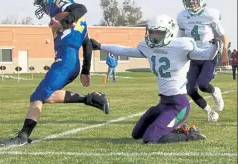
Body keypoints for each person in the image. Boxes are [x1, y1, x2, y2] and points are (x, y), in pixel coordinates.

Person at [0, 0, 109, 147]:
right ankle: (90, 99)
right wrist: (85, 71)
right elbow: (88, 45)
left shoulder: (61, 2)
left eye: (42, 2)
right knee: (45, 95)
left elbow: (80, 8)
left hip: (65, 60)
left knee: (37, 96)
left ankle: (22, 137)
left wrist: (65, 21)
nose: (42, 7)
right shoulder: (80, 24)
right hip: (72, 62)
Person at [90, 15, 222, 144]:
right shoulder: (149, 47)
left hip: (179, 105)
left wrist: (215, 46)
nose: (153, 36)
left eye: (158, 32)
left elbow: (206, 55)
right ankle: (174, 129)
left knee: (150, 138)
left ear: (170, 32)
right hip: (163, 103)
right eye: (151, 32)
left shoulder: (182, 46)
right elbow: (125, 50)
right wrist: (101, 46)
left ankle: (190, 135)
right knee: (137, 134)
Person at [177, 0, 229, 122]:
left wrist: (224, 53)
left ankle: (215, 92)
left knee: (203, 85)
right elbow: (180, 39)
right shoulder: (182, 16)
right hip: (193, 56)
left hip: (208, 54)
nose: (192, 2)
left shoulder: (210, 13)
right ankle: (210, 112)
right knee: (190, 90)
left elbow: (223, 35)